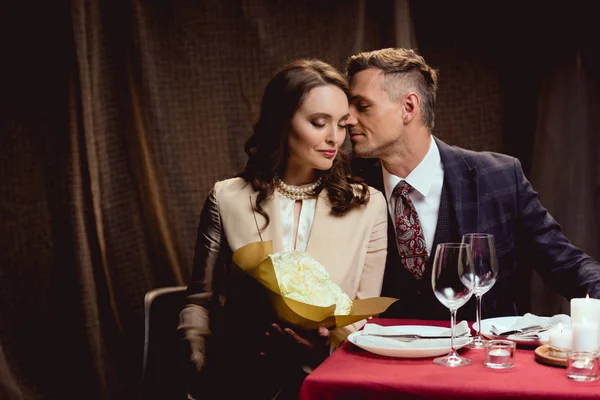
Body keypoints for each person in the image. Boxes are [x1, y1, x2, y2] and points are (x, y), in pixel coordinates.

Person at [178, 59, 388, 400]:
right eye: (319, 123)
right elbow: (199, 300)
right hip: (238, 377)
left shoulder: (368, 204)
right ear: (282, 121)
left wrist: (318, 351)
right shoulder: (226, 197)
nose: (334, 138)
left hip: (327, 378)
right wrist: (196, 357)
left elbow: (365, 312)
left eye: (341, 125)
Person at [344, 47, 600, 321]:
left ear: (408, 107)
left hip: (479, 357)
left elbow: (564, 262)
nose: (347, 119)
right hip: (378, 358)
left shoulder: (499, 177)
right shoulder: (344, 182)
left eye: (362, 106)